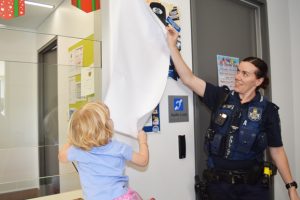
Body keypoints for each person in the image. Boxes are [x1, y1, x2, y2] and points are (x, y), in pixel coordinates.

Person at [166, 25, 299, 200]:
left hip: (253, 189)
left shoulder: (268, 110)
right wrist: (172, 45)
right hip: (219, 186)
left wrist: (291, 187)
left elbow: (277, 150)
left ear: (258, 80)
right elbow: (188, 78)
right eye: (238, 71)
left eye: (245, 74)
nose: (237, 76)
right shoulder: (220, 96)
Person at [58, 101, 149, 200]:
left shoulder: (78, 150)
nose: (111, 119)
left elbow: (61, 157)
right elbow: (143, 160)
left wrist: (72, 140)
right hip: (119, 197)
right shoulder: (119, 148)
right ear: (105, 128)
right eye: (108, 118)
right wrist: (142, 141)